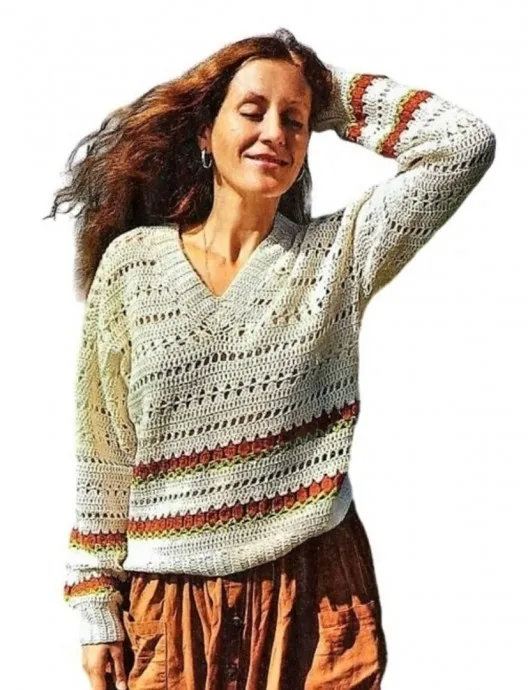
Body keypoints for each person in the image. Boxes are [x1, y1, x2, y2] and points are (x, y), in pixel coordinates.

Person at [48, 27, 495, 690]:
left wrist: (323, 89)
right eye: (252, 111)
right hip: (172, 603)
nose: (275, 134)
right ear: (206, 132)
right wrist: (94, 602)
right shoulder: (133, 267)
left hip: (313, 590)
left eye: (295, 121)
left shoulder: (338, 256)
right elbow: (104, 443)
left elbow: (463, 144)